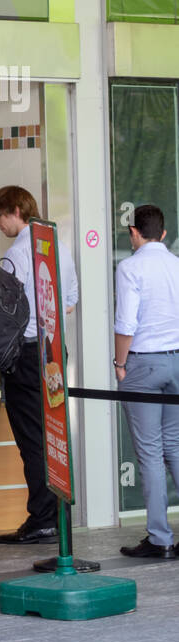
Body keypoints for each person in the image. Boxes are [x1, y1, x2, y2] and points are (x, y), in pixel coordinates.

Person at [0, 185, 79, 545]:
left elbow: (6, 311)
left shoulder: (17, 253)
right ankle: (57, 517)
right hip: (54, 352)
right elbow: (69, 300)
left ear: (15, 210)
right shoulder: (57, 248)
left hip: (25, 355)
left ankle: (42, 519)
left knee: (32, 440)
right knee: (53, 435)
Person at [113, 204, 179, 558]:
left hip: (145, 365)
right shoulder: (176, 264)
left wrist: (119, 363)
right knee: (176, 449)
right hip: (177, 362)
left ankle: (160, 538)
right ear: (164, 233)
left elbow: (126, 324)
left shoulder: (130, 267)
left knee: (151, 454)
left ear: (134, 233)